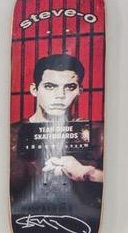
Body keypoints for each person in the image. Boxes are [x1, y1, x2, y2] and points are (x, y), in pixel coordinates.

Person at [11, 51, 103, 220]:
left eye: (70, 87)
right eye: (50, 86)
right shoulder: (11, 136)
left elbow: (125, 181)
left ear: (80, 90)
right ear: (34, 90)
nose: (60, 95)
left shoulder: (98, 134)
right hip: (25, 222)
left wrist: (88, 173)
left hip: (84, 223)